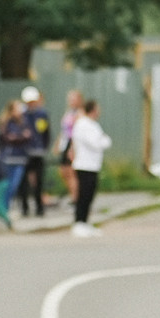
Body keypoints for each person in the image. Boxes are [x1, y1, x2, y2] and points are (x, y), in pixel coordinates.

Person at [66, 98, 112, 237]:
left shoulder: (91, 125)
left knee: (90, 194)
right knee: (84, 195)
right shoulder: (84, 124)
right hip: (84, 164)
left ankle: (85, 222)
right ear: (92, 109)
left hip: (92, 165)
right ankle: (79, 222)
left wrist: (103, 140)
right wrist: (104, 140)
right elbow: (97, 143)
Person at [19, 86, 52, 218]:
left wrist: (44, 147)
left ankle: (39, 207)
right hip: (25, 153)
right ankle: (24, 207)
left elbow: (45, 132)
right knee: (23, 182)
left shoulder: (42, 114)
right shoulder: (21, 115)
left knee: (39, 181)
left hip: (37, 153)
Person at [58, 90, 86, 210]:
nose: (71, 101)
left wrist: (72, 148)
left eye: (74, 99)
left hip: (73, 144)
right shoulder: (69, 112)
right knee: (64, 172)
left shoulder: (81, 113)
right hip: (65, 143)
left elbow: (77, 131)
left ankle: (76, 199)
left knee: (71, 172)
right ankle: (73, 196)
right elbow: (64, 130)